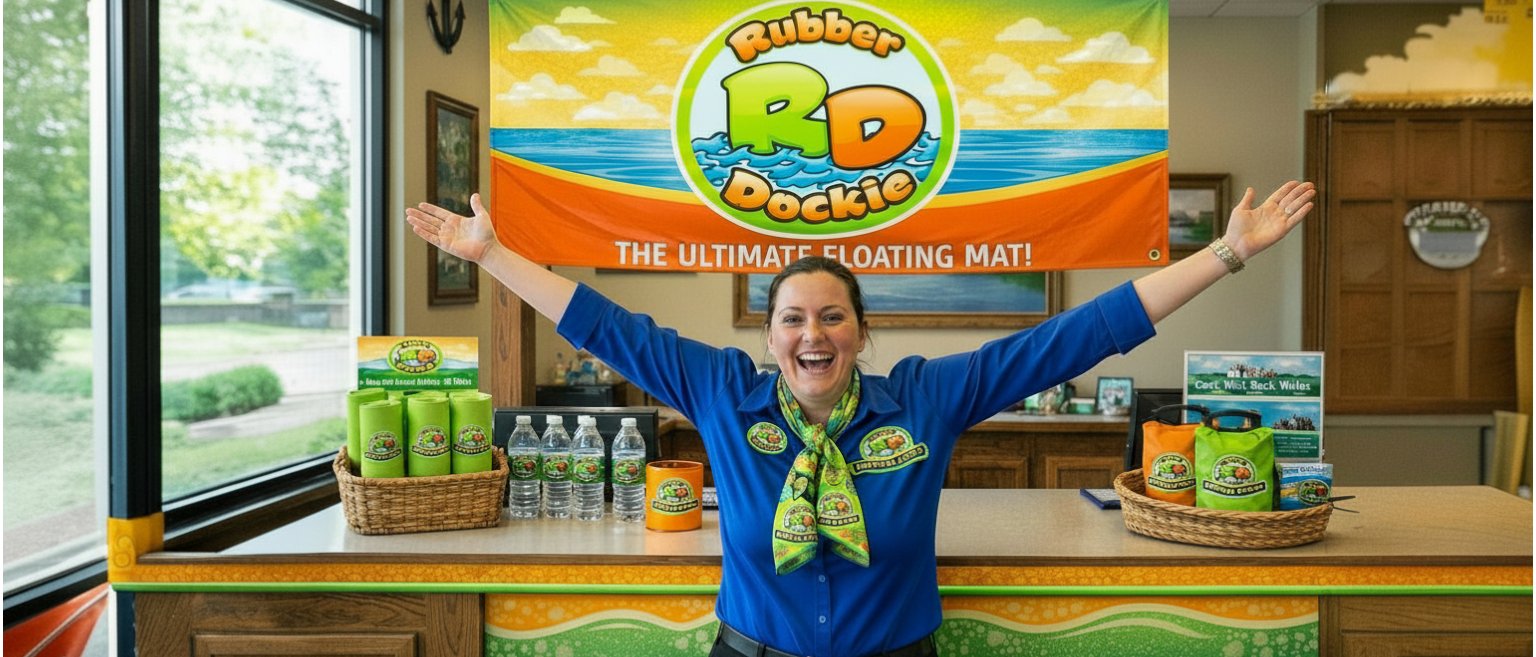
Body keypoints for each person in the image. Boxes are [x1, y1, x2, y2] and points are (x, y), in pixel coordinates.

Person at [406, 181, 1315, 657]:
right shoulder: (721, 392)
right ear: (770, 336)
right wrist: (492, 256)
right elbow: (603, 325)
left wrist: (1228, 253)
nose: (813, 333)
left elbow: (1074, 337)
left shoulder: (925, 399)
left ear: (861, 332)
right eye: (793, 318)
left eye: (833, 316)